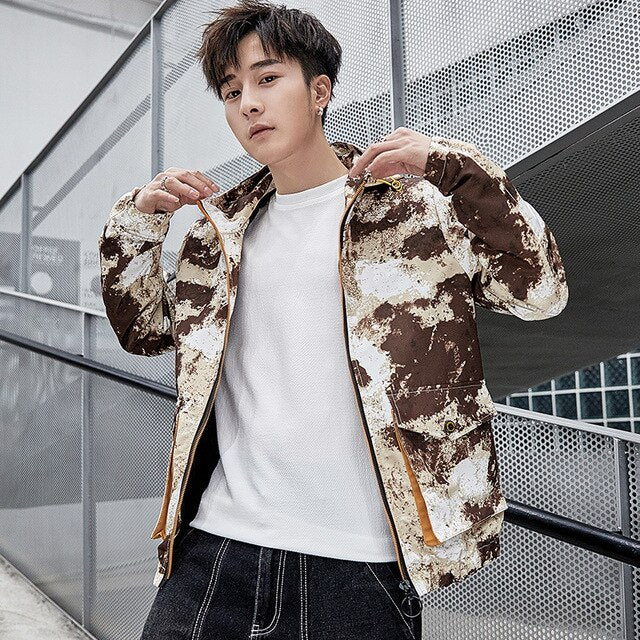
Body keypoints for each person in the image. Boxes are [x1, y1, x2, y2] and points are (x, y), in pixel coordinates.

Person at [97, 1, 568, 639]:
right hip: (216, 548)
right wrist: (136, 226)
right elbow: (144, 331)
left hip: (362, 563)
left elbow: (540, 291)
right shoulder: (217, 234)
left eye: (268, 79)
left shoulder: (412, 211)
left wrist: (457, 168)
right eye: (232, 92)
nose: (249, 104)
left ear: (319, 91)